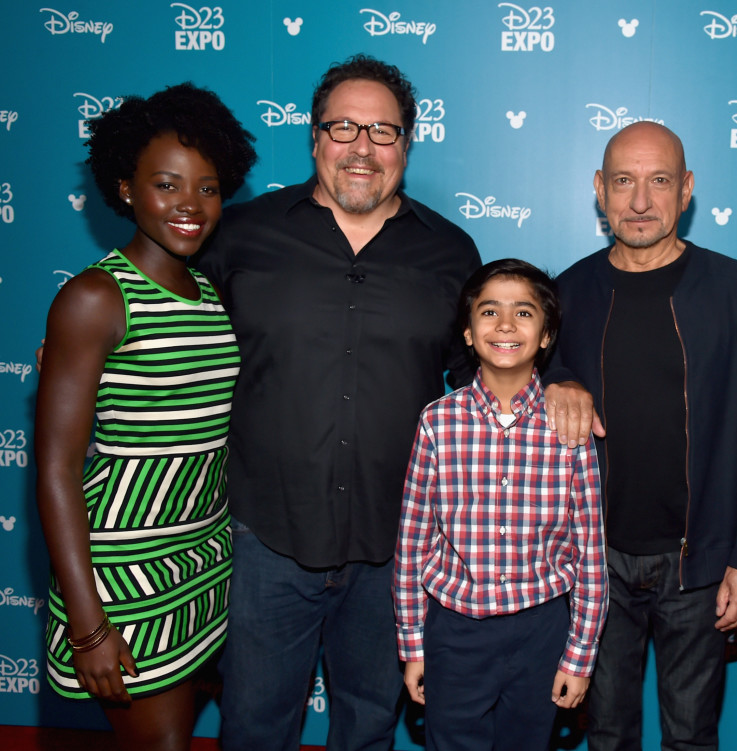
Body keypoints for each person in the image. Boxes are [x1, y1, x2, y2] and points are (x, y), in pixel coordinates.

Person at [195, 55, 484, 751]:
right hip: (266, 537)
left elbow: (484, 374)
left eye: (383, 131)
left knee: (369, 726)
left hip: (395, 547)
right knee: (255, 728)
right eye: (344, 127)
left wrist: (560, 379)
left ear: (408, 145)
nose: (362, 147)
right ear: (314, 137)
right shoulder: (239, 235)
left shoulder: (451, 252)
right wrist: (95, 345)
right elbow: (167, 318)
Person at [545, 121, 737, 750]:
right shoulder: (566, 292)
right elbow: (520, 366)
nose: (641, 202)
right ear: (600, 188)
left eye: (660, 182)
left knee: (689, 738)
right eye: (624, 182)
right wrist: (559, 375)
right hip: (595, 562)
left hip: (700, 566)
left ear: (687, 190)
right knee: (608, 735)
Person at [34, 83, 257, 750]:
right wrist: (89, 625)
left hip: (204, 564)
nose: (190, 205)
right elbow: (54, 468)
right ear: (126, 187)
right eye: (167, 184)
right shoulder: (95, 297)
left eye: (208, 188)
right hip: (123, 576)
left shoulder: (210, 293)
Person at [393, 258, 609, 751]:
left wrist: (579, 656)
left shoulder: (570, 427)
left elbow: (590, 555)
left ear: (548, 334)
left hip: (542, 630)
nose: (506, 325)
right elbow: (412, 544)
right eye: (489, 312)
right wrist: (413, 645)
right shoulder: (437, 423)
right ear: (468, 333)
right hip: (455, 631)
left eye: (524, 313)